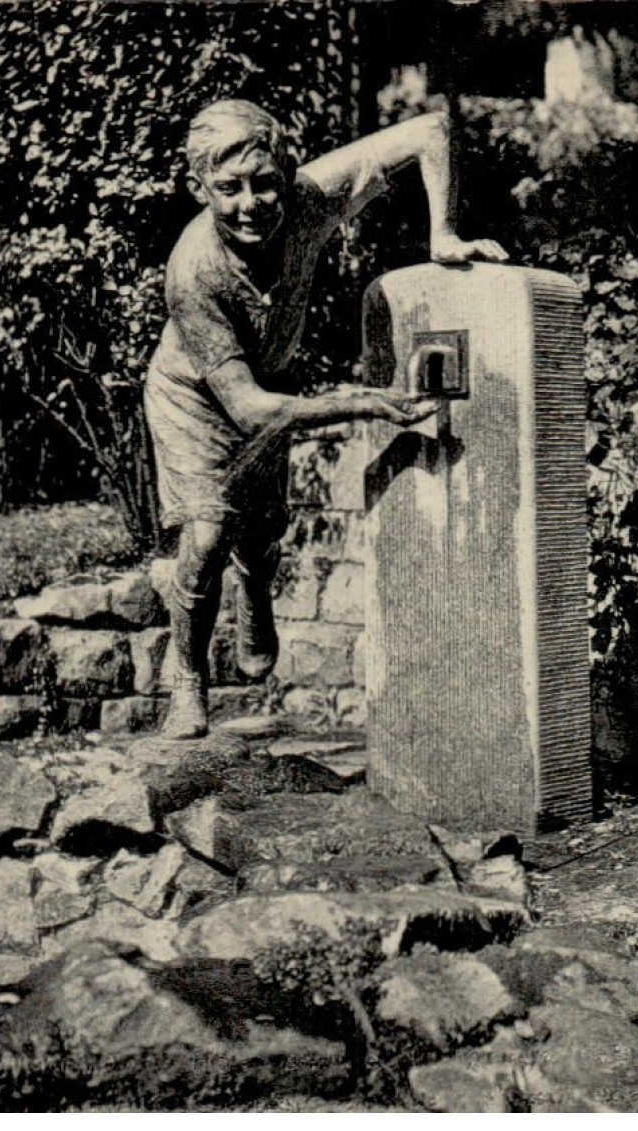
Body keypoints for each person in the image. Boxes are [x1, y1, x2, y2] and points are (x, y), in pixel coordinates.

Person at [145, 100, 507, 739]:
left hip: (271, 384)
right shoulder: (192, 271)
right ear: (197, 189)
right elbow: (247, 409)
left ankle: (255, 590)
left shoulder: (309, 199)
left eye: (264, 181)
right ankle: (188, 680)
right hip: (196, 400)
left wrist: (442, 234)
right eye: (227, 189)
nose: (251, 203)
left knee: (259, 531)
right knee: (205, 539)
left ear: (285, 171)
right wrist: (368, 401)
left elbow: (429, 130)